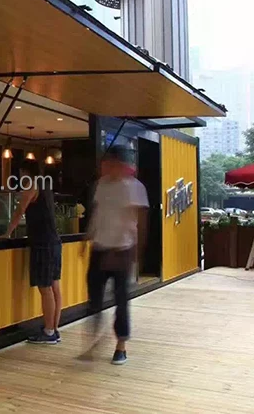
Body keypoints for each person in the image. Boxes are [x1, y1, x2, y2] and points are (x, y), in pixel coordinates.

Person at [81, 145, 149, 365]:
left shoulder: (134, 187)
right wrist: (88, 237)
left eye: (108, 163)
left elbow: (140, 223)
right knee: (94, 300)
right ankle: (92, 342)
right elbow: (98, 214)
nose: (104, 167)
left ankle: (121, 346)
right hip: (99, 248)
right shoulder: (101, 185)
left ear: (119, 164)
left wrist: (137, 254)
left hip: (122, 250)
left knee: (121, 300)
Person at [4, 159, 62, 344]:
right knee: (54, 287)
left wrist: (7, 232)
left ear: (24, 171)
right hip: (54, 241)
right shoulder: (45, 185)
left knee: (45, 288)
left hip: (43, 243)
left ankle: (49, 332)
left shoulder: (31, 185)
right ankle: (54, 329)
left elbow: (20, 210)